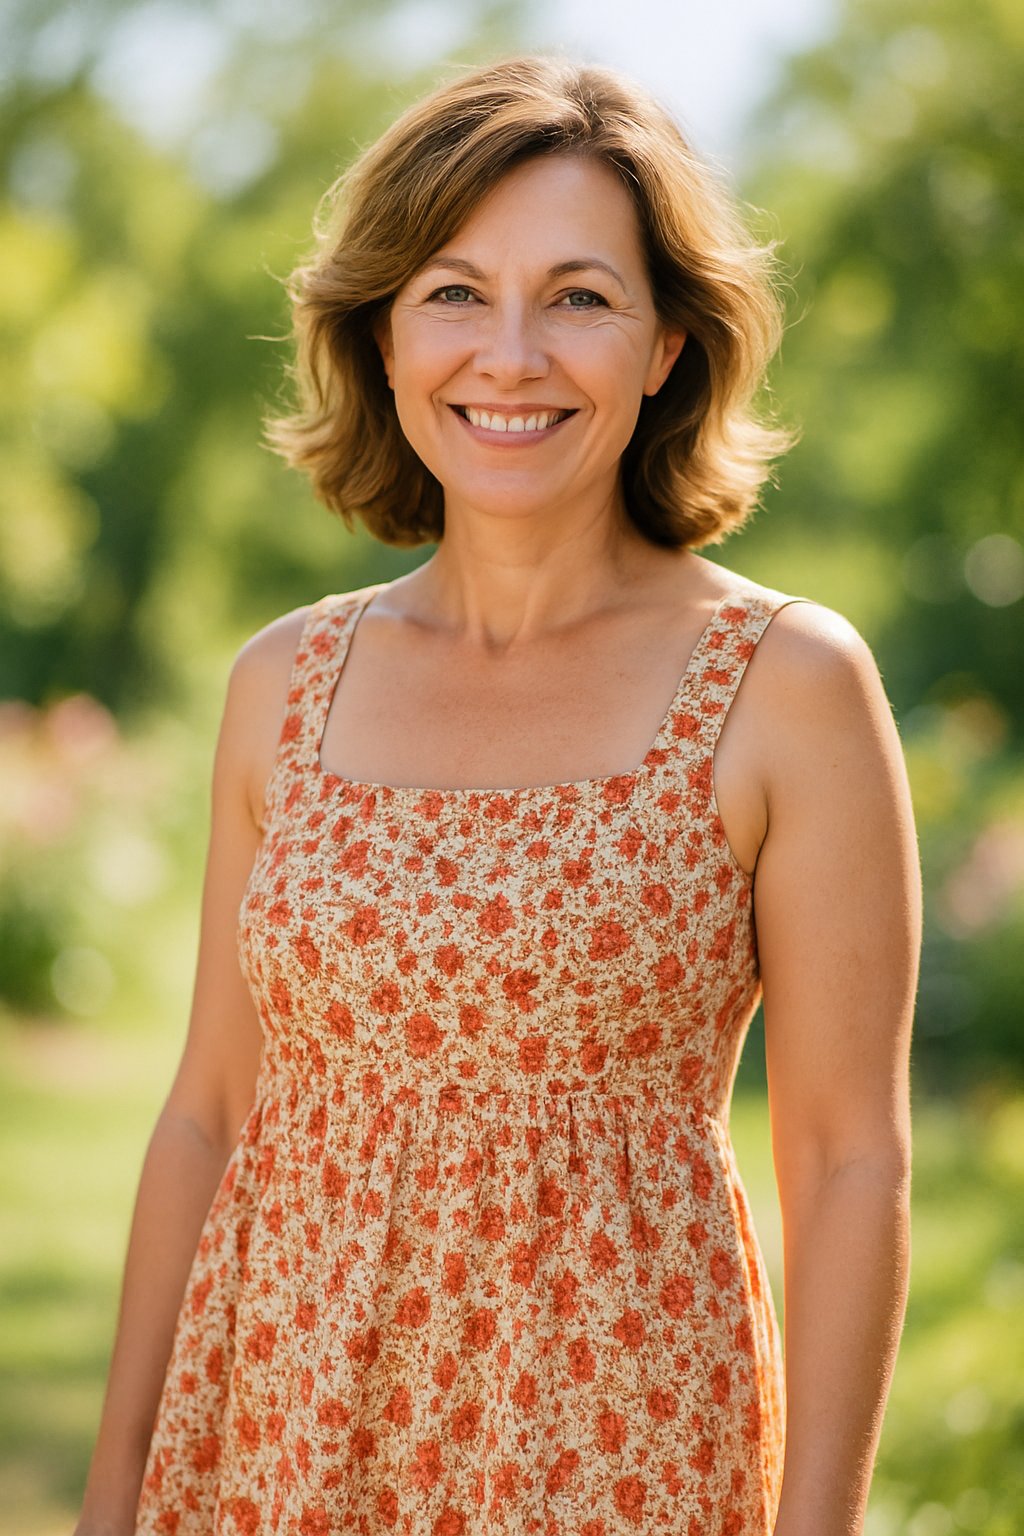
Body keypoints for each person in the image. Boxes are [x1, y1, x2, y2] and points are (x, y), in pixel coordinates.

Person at [74, 54, 921, 1536]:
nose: (512, 355)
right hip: (279, 1430)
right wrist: (110, 1493)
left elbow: (852, 1161)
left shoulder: (786, 683)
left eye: (581, 296)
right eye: (455, 293)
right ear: (386, 335)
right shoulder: (286, 682)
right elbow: (208, 1113)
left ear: (666, 343)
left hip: (614, 1448)